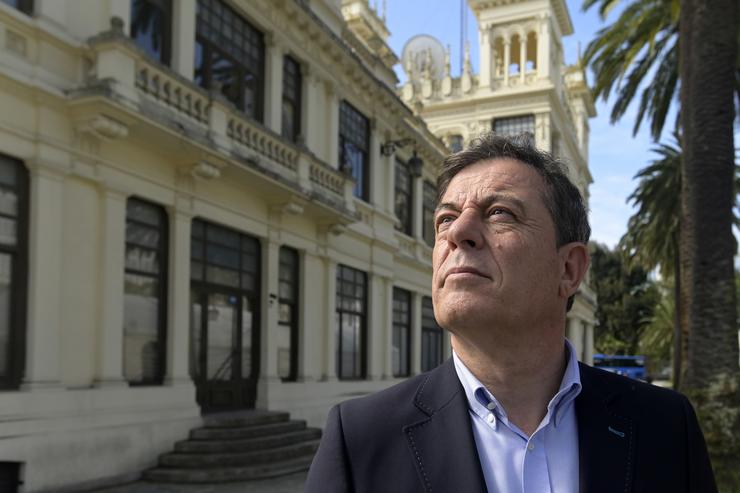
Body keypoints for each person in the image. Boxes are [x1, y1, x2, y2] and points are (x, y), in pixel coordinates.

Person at [305, 132, 716, 493]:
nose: (457, 233)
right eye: (445, 218)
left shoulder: (665, 427)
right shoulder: (359, 440)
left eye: (500, 213)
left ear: (569, 269)